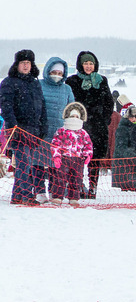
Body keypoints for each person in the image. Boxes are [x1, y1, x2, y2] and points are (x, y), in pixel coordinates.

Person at [0, 50, 49, 204]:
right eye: (23, 63)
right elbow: (6, 106)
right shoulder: (9, 82)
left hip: (34, 130)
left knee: (25, 163)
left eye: (28, 63)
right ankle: (27, 196)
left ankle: (16, 196)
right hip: (17, 130)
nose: (26, 66)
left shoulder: (35, 82)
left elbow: (42, 105)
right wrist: (13, 124)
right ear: (17, 64)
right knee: (23, 164)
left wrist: (43, 126)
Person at [64, 51, 114, 198]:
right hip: (78, 126)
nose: (88, 66)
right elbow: (69, 103)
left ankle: (93, 188)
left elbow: (109, 103)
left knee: (95, 159)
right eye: (85, 63)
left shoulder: (102, 80)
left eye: (91, 63)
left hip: (98, 127)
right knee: (76, 158)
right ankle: (77, 186)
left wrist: (104, 119)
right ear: (80, 64)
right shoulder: (72, 81)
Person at [38, 57, 75, 201]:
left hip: (59, 134)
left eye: (60, 73)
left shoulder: (67, 89)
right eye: (54, 72)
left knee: (57, 165)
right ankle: (39, 191)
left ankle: (55, 192)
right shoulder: (39, 85)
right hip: (41, 131)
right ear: (48, 71)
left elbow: (71, 108)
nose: (57, 75)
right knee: (38, 163)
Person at [49, 102, 94, 205]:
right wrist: (56, 156)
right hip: (64, 158)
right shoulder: (62, 131)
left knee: (76, 179)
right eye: (72, 116)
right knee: (60, 178)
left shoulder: (83, 133)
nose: (74, 118)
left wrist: (87, 155)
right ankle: (57, 197)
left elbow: (88, 145)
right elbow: (55, 144)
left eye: (76, 116)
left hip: (78, 160)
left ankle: (74, 198)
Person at [111, 104, 136, 192]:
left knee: (132, 192)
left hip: (132, 164)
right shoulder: (122, 129)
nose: (134, 119)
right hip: (124, 165)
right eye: (132, 117)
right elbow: (120, 147)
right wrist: (134, 155)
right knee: (126, 193)